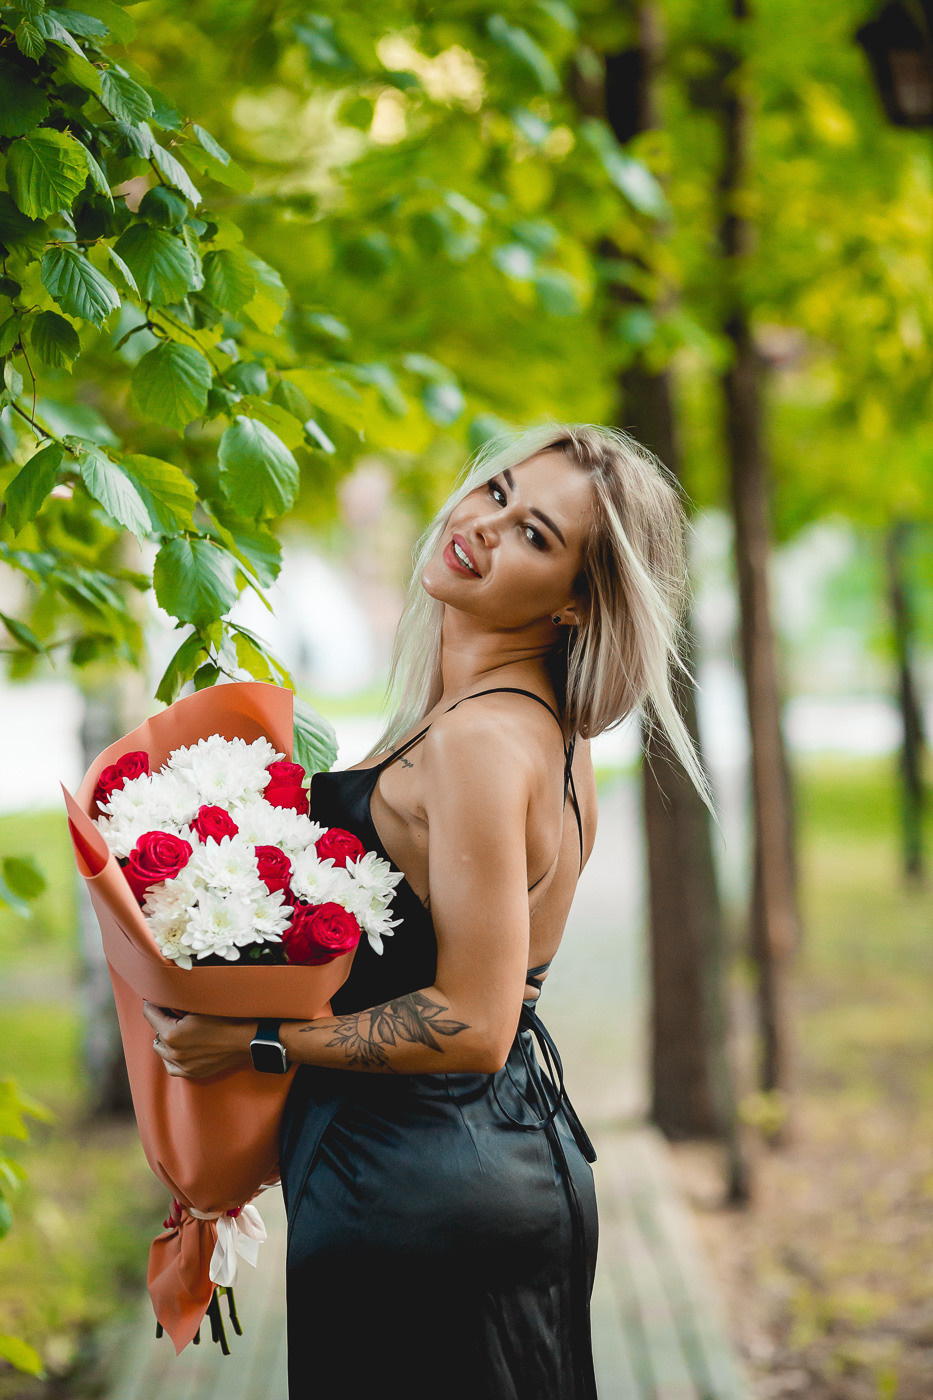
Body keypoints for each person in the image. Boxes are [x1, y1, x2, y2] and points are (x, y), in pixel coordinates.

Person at [144, 422, 711, 1399]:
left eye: (536, 534)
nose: (485, 525)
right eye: (495, 491)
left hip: (417, 1187)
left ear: (578, 598)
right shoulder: (535, 726)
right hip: (472, 1161)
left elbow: (474, 1021)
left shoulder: (480, 744)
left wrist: (255, 1040)